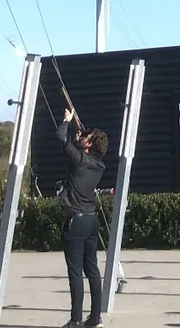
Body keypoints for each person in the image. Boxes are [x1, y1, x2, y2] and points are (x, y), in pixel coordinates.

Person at [57, 107, 109, 328]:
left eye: (87, 136)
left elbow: (61, 137)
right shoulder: (98, 165)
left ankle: (76, 319)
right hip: (91, 220)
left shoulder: (80, 160)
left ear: (89, 145)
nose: (83, 136)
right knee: (92, 269)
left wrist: (66, 121)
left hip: (76, 221)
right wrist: (80, 137)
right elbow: (81, 152)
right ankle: (95, 317)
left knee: (75, 272)